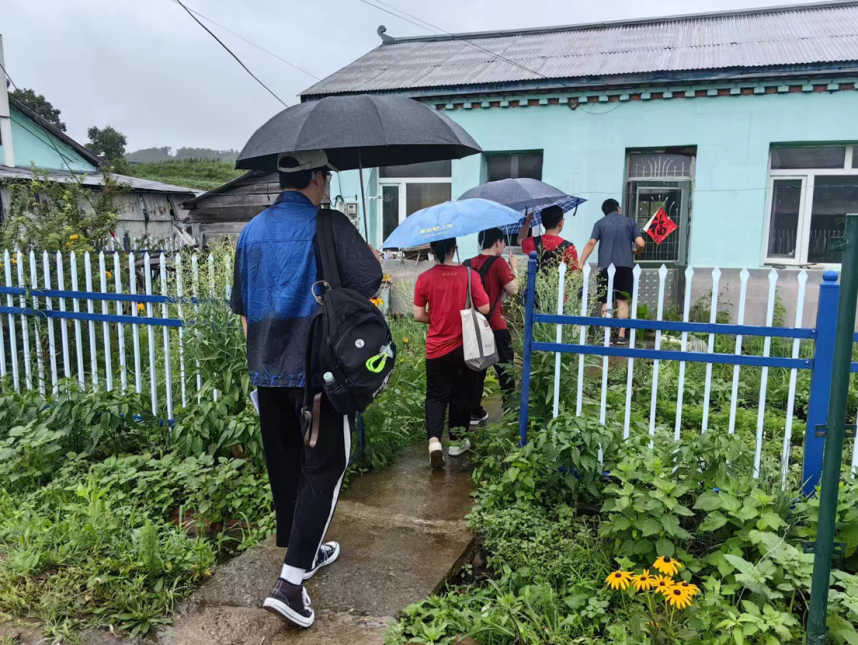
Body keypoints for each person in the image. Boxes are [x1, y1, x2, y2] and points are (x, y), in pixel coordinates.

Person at [230, 150, 382, 629]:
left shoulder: (251, 231)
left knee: (288, 467)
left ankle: (306, 551)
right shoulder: (328, 224)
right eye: (327, 176)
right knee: (326, 467)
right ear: (318, 176)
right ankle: (290, 584)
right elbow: (370, 281)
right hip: (319, 372)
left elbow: (243, 309)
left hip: (266, 368)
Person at [414, 237, 490, 468]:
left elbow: (418, 315)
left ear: (432, 250)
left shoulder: (424, 278)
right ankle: (457, 443)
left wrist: (438, 319)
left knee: (435, 396)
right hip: (464, 348)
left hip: (436, 350)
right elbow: (485, 307)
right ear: (454, 249)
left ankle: (434, 442)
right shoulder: (469, 275)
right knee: (461, 395)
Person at [464, 228, 518, 424]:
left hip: (472, 325)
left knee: (475, 369)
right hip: (495, 324)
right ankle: (511, 411)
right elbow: (513, 290)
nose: (504, 246)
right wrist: (514, 268)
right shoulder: (499, 263)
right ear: (497, 242)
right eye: (503, 242)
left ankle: (473, 411)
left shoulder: (467, 264)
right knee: (505, 367)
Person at [577, 198, 646, 345]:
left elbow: (591, 243)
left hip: (605, 267)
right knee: (622, 300)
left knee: (606, 301)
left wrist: (581, 261)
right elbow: (641, 243)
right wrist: (637, 251)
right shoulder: (630, 223)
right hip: (625, 266)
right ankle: (621, 335)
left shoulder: (600, 223)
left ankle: (607, 334)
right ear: (618, 208)